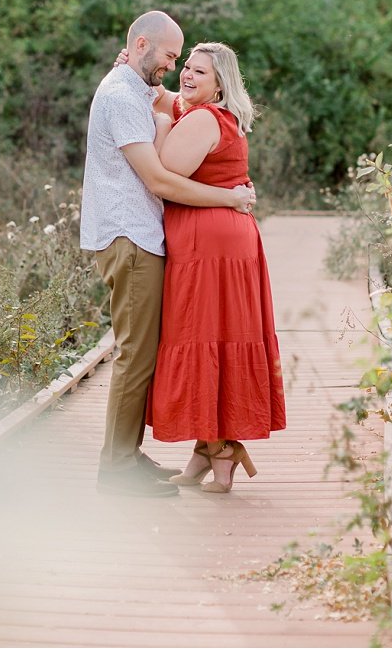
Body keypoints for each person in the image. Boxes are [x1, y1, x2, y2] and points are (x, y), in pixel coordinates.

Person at [80, 11, 257, 498]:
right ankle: (116, 470)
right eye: (170, 56)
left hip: (141, 236)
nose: (174, 66)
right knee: (136, 354)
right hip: (129, 236)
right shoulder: (120, 95)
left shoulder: (132, 88)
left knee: (142, 353)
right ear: (141, 45)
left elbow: (177, 102)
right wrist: (230, 196)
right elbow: (158, 179)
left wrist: (165, 91)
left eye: (183, 60)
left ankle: (128, 457)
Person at [140, 41, 287, 494]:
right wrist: (137, 72)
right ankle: (210, 451)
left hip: (211, 243)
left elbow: (165, 174)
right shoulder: (211, 114)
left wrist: (162, 122)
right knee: (215, 337)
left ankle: (220, 450)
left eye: (199, 72)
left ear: (219, 83)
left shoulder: (202, 118)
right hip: (220, 238)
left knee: (205, 336)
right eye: (185, 66)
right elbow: (163, 94)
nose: (187, 74)